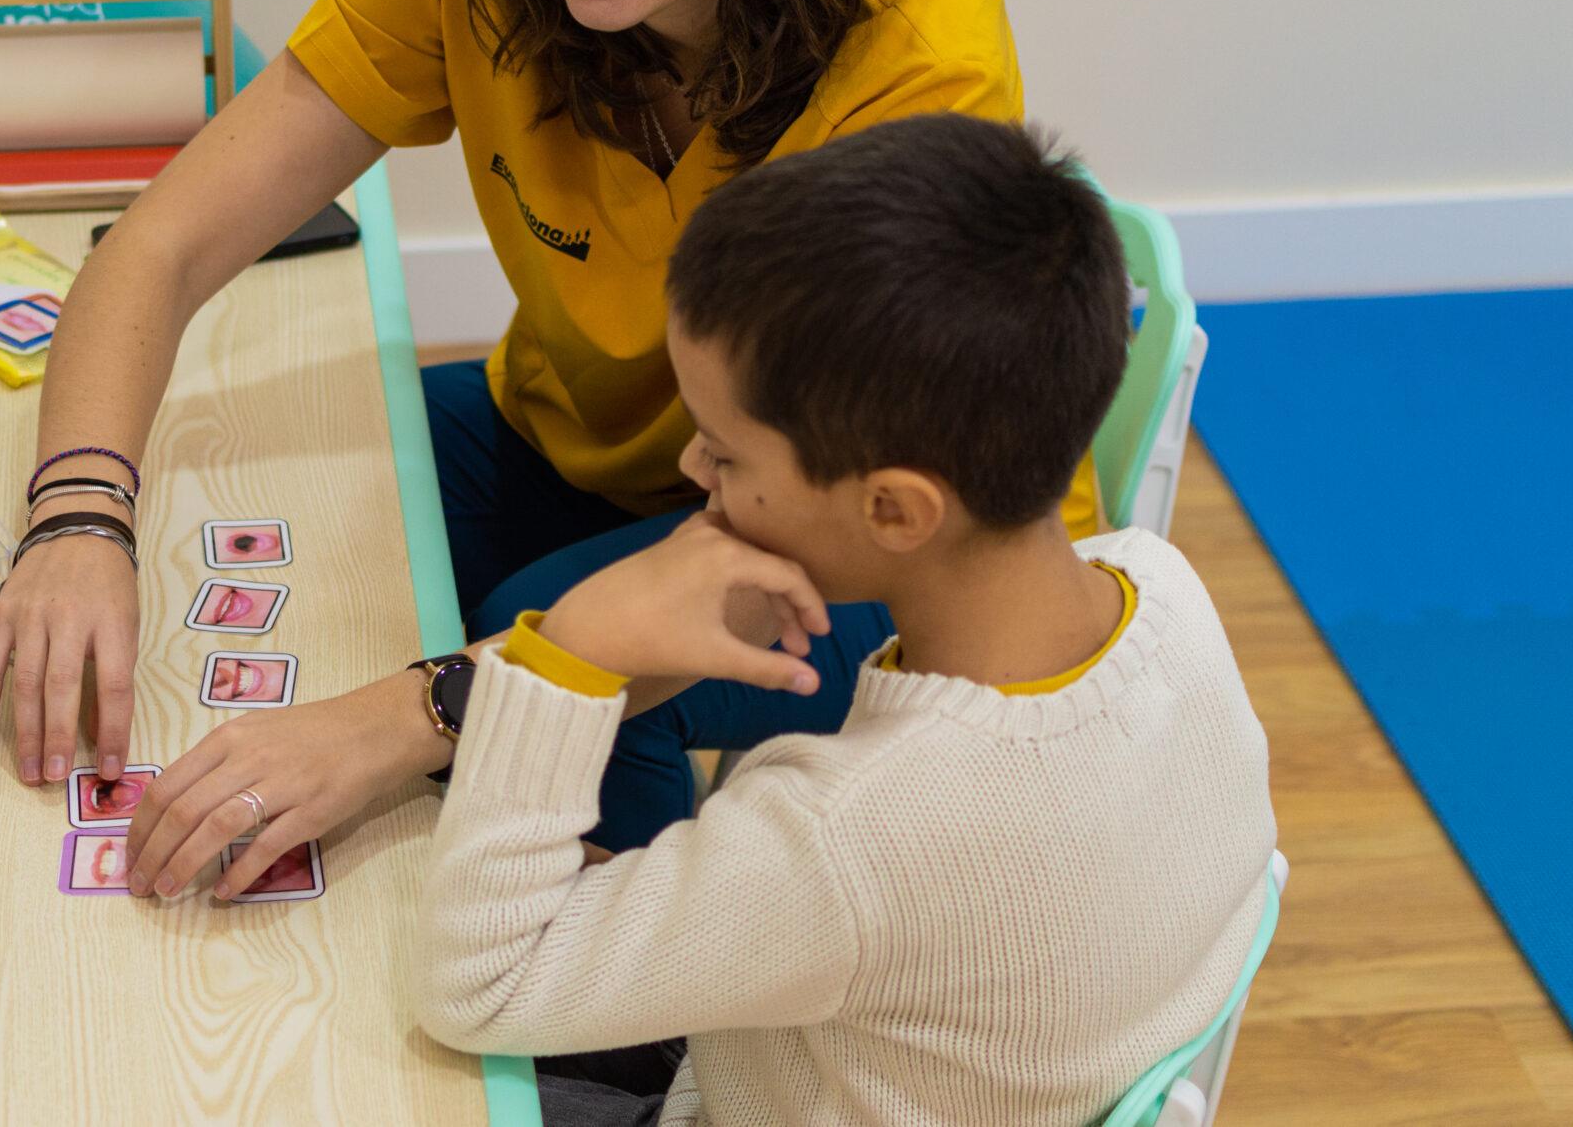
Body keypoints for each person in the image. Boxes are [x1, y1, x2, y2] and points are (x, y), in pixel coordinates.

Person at [0, 0, 1096, 895]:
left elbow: (783, 529)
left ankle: (611, 1065)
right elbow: (165, 239)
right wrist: (75, 522)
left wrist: (403, 716)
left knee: (531, 648)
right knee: (304, 484)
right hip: (578, 444)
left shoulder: (921, 63)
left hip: (860, 548)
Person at [411, 114, 1277, 1126]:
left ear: (894, 511)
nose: (692, 472)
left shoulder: (844, 831)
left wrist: (571, 649)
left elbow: (476, 988)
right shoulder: (1158, 581)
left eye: (726, 455)